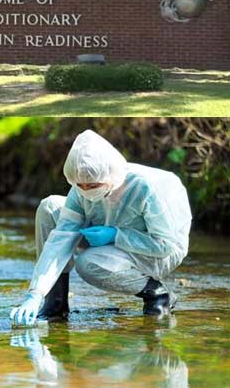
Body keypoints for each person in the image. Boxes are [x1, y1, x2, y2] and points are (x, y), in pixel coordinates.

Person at [10, 130, 192, 326]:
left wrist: (116, 235)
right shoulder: (80, 189)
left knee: (88, 263)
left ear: (110, 177)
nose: (86, 192)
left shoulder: (144, 188)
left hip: (158, 250)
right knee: (50, 207)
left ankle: (157, 293)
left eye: (93, 185)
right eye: (81, 185)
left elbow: (166, 244)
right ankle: (55, 304)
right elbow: (60, 239)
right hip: (107, 230)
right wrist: (35, 293)